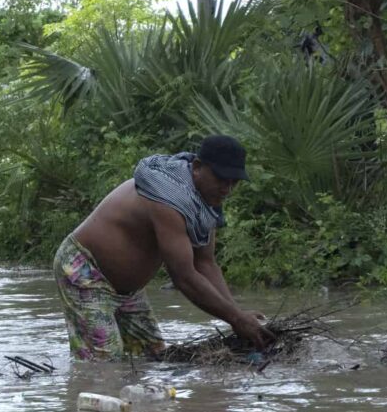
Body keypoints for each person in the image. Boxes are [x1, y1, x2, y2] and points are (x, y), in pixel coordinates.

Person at [53, 135, 273, 361]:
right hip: (84, 272)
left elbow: (205, 263)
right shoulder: (168, 198)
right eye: (221, 179)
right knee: (102, 364)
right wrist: (236, 319)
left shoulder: (205, 203)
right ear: (197, 167)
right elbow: (184, 277)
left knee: (152, 358)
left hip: (128, 291)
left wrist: (238, 313)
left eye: (233, 182)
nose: (227, 189)